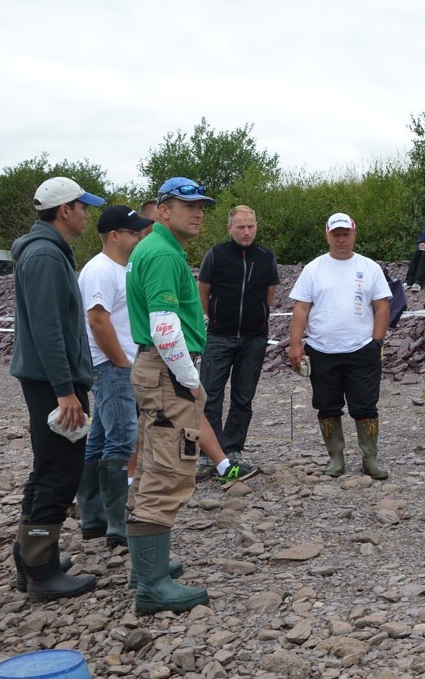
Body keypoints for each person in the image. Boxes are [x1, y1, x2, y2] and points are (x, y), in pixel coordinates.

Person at [125, 177, 256, 615]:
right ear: (163, 209)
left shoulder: (155, 247)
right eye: (187, 205)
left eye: (201, 205)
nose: (198, 212)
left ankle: (146, 568)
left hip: (155, 371)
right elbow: (165, 327)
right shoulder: (162, 253)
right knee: (167, 471)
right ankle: (152, 584)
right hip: (166, 374)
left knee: (149, 465)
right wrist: (190, 380)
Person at [9, 176, 105, 601]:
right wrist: (66, 391)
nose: (87, 213)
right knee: (60, 473)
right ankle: (42, 572)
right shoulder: (46, 255)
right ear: (64, 210)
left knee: (48, 467)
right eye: (82, 206)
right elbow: (48, 329)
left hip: (49, 380)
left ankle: (31, 556)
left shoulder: (45, 251)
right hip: (54, 384)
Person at [288, 213, 393, 480]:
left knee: (365, 406)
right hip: (321, 349)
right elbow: (301, 308)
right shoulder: (313, 269)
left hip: (361, 349)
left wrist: (377, 342)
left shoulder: (370, 267)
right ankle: (336, 458)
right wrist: (296, 345)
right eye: (336, 234)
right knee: (326, 405)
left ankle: (370, 459)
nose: (341, 239)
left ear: (354, 235)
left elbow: (382, 307)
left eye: (346, 233)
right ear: (327, 236)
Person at [75, 204, 155, 550]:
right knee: (122, 437)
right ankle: (117, 522)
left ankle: (94, 517)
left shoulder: (121, 268)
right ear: (114, 236)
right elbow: (97, 319)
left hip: (114, 363)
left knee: (102, 436)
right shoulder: (100, 271)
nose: (139, 236)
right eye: (134, 232)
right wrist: (121, 361)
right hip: (110, 365)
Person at [195, 204, 278, 480]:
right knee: (210, 395)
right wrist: (216, 318)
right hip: (220, 336)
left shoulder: (267, 257)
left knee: (243, 398)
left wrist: (258, 321)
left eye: (251, 226)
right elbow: (203, 293)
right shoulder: (216, 255)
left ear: (256, 226)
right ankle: (210, 453)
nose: (246, 232)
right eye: (240, 226)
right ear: (229, 227)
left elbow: (269, 295)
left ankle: (233, 450)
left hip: (254, 338)